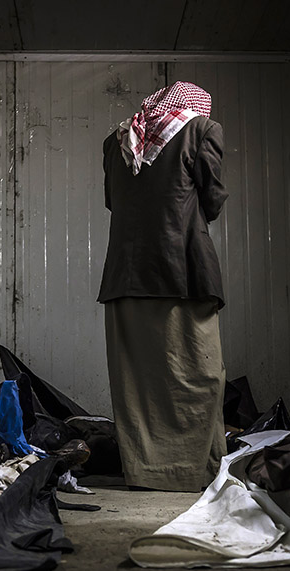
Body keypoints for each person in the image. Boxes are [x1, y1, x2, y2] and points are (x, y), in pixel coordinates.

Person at [98, 81, 229, 492]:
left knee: (137, 383)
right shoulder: (202, 129)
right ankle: (192, 473)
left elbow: (113, 202)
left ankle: (147, 472)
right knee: (197, 373)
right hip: (181, 273)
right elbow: (211, 199)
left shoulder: (117, 141)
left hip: (124, 277)